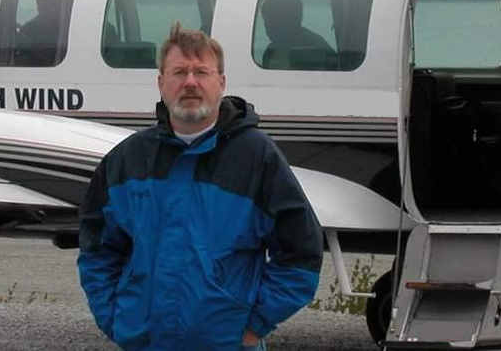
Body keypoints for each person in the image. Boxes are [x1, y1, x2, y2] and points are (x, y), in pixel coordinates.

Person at [77, 22, 323, 350]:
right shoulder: (128, 158)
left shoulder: (256, 156)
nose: (190, 82)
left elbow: (301, 253)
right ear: (161, 82)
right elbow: (97, 250)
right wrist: (115, 320)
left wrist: (254, 326)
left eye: (201, 72)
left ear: (220, 82)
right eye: (179, 72)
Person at [260, 0, 334, 69]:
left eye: (272, 21)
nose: (267, 26)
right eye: (266, 21)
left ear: (290, 20)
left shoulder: (313, 48)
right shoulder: (272, 50)